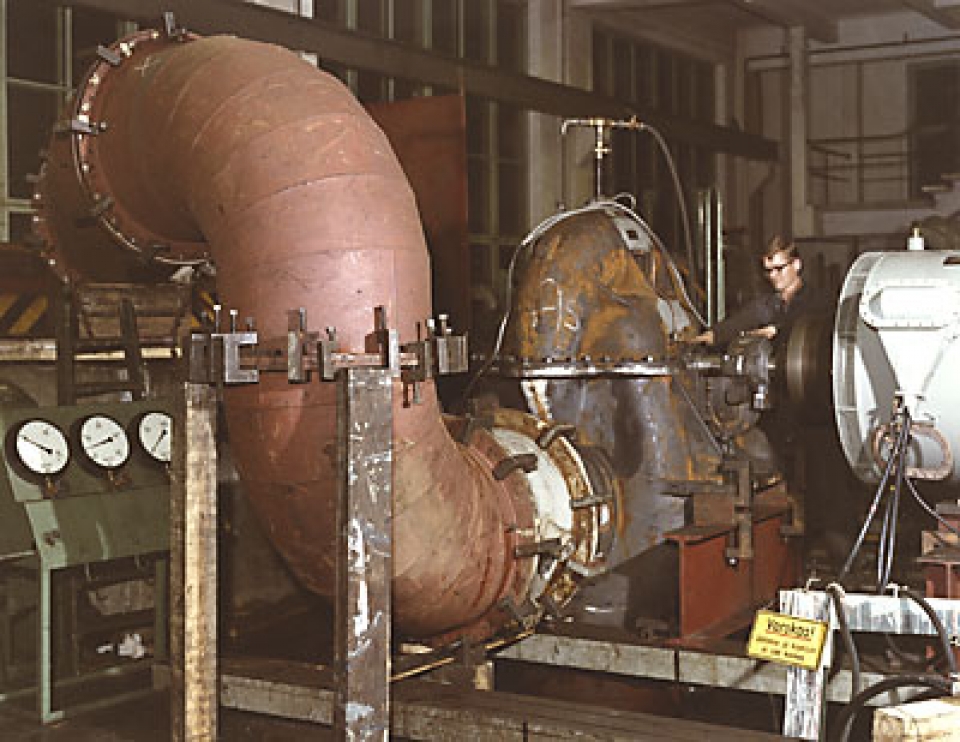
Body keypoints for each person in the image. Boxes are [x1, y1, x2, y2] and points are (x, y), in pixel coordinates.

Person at [693, 235, 817, 348]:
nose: (772, 275)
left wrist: (777, 331)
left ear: (796, 264)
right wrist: (712, 335)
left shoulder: (817, 301)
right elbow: (739, 322)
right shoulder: (767, 304)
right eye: (768, 270)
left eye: (779, 268)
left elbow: (810, 328)